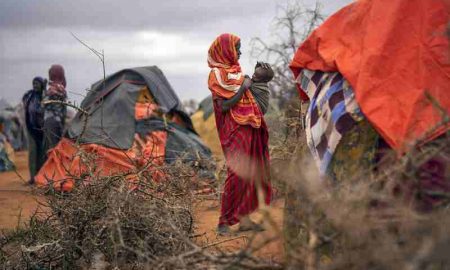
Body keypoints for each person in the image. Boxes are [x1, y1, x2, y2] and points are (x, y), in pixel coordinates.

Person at [207, 33, 272, 234]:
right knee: (236, 174)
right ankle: (223, 222)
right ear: (226, 50)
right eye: (237, 48)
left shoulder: (237, 72)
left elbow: (253, 98)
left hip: (249, 127)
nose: (240, 52)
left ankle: (244, 220)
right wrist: (242, 88)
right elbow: (224, 106)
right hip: (233, 130)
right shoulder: (217, 75)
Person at [22, 77, 47, 184]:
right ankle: (33, 177)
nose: (35, 85)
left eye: (37, 83)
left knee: (41, 153)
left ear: (42, 85)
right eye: (34, 83)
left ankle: (40, 176)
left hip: (42, 130)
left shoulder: (45, 96)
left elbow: (44, 109)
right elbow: (27, 107)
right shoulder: (29, 96)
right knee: (33, 153)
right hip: (31, 128)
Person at [43, 64, 67, 154]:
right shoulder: (59, 87)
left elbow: (44, 104)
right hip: (55, 122)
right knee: (53, 148)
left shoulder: (54, 88)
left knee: (51, 148)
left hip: (51, 122)